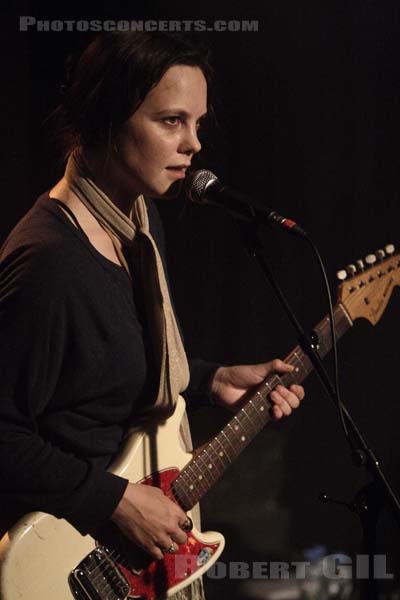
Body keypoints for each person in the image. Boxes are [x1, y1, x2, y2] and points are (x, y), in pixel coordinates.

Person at [0, 31, 304, 598]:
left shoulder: (138, 222)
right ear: (107, 119)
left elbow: (110, 368)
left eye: (197, 123)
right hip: (71, 563)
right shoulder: (48, 261)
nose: (193, 144)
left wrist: (213, 378)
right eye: (171, 121)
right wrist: (113, 500)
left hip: (131, 562)